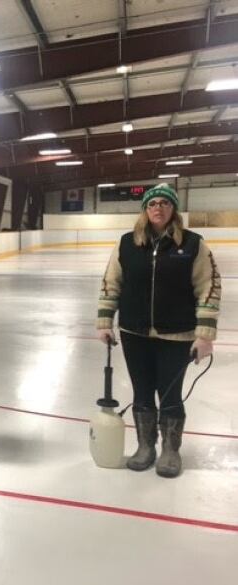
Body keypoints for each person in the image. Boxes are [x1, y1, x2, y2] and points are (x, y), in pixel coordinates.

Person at [96, 183, 220, 478]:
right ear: (145, 209)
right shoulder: (127, 243)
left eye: (165, 203)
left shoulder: (192, 244)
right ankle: (145, 447)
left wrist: (204, 334)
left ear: (173, 209)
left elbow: (208, 287)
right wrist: (104, 322)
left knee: (171, 394)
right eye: (153, 203)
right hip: (134, 332)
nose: (158, 208)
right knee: (141, 392)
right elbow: (111, 282)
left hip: (177, 334)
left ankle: (170, 450)